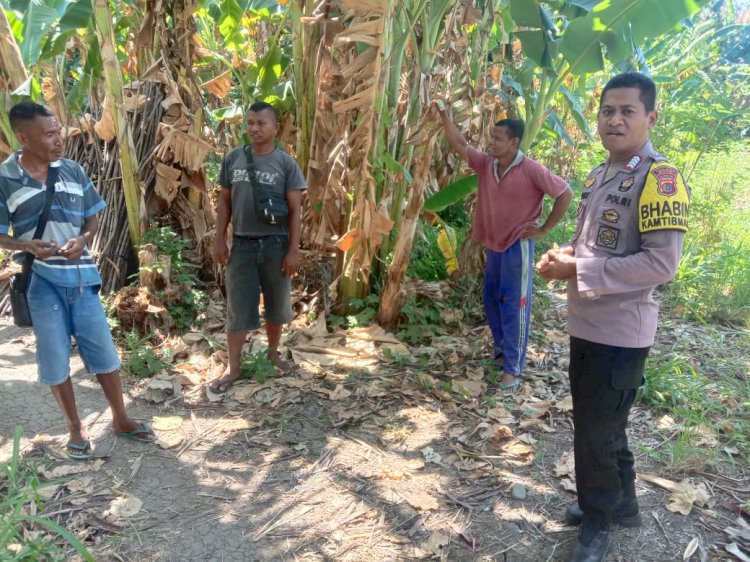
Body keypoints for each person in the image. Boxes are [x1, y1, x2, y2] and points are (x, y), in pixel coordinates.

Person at [537, 72, 690, 562]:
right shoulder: (601, 173)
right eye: (607, 111)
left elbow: (660, 264)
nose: (615, 119)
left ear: (651, 117)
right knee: (604, 425)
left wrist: (576, 268)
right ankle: (622, 505)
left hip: (621, 333)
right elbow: (596, 246)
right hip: (587, 324)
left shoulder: (660, 177)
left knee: (595, 432)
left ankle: (598, 522)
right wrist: (566, 256)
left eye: (627, 110)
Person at [0, 102, 155, 460]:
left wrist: (84, 241)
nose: (59, 140)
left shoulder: (71, 170)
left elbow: (91, 220)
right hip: (41, 283)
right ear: (23, 137)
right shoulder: (5, 178)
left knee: (104, 352)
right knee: (55, 357)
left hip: (83, 277)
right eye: (49, 134)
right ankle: (75, 427)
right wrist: (25, 245)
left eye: (58, 131)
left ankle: (120, 418)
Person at [435, 102, 573, 397]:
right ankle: (501, 352)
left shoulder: (531, 169)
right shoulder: (487, 164)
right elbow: (460, 144)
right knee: (492, 301)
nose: (491, 142)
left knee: (514, 307)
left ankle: (513, 368)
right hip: (493, 246)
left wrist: (544, 229)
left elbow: (564, 193)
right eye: (491, 137)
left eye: (498, 138)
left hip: (517, 248)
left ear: (513, 142)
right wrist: (445, 115)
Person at [209, 101, 306, 393]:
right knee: (238, 307)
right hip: (242, 244)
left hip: (276, 245)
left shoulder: (286, 164)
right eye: (250, 122)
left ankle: (272, 354)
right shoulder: (233, 159)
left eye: (261, 123)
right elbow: (224, 201)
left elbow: (296, 211)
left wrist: (293, 250)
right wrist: (219, 238)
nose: (254, 128)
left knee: (277, 304)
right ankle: (233, 367)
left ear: (275, 128)